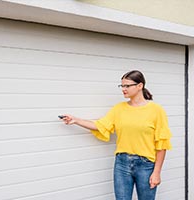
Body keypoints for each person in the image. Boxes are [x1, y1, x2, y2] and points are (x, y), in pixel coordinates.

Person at [59, 70, 172, 200]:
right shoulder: (119, 109)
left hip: (146, 165)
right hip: (122, 164)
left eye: (127, 86)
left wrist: (157, 172)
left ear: (140, 86)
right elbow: (101, 125)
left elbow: (162, 143)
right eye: (122, 86)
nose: (123, 89)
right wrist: (76, 120)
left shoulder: (156, 111)